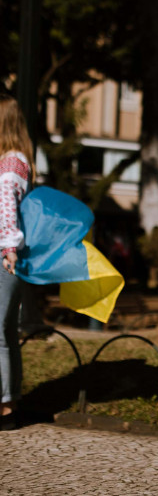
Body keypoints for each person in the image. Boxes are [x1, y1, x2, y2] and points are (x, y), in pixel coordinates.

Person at [0, 94, 35, 431]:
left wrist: (9, 248)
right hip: (11, 255)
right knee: (7, 332)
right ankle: (12, 403)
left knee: (0, 333)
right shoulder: (19, 160)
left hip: (4, 255)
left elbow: (8, 208)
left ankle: (6, 407)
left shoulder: (10, 162)